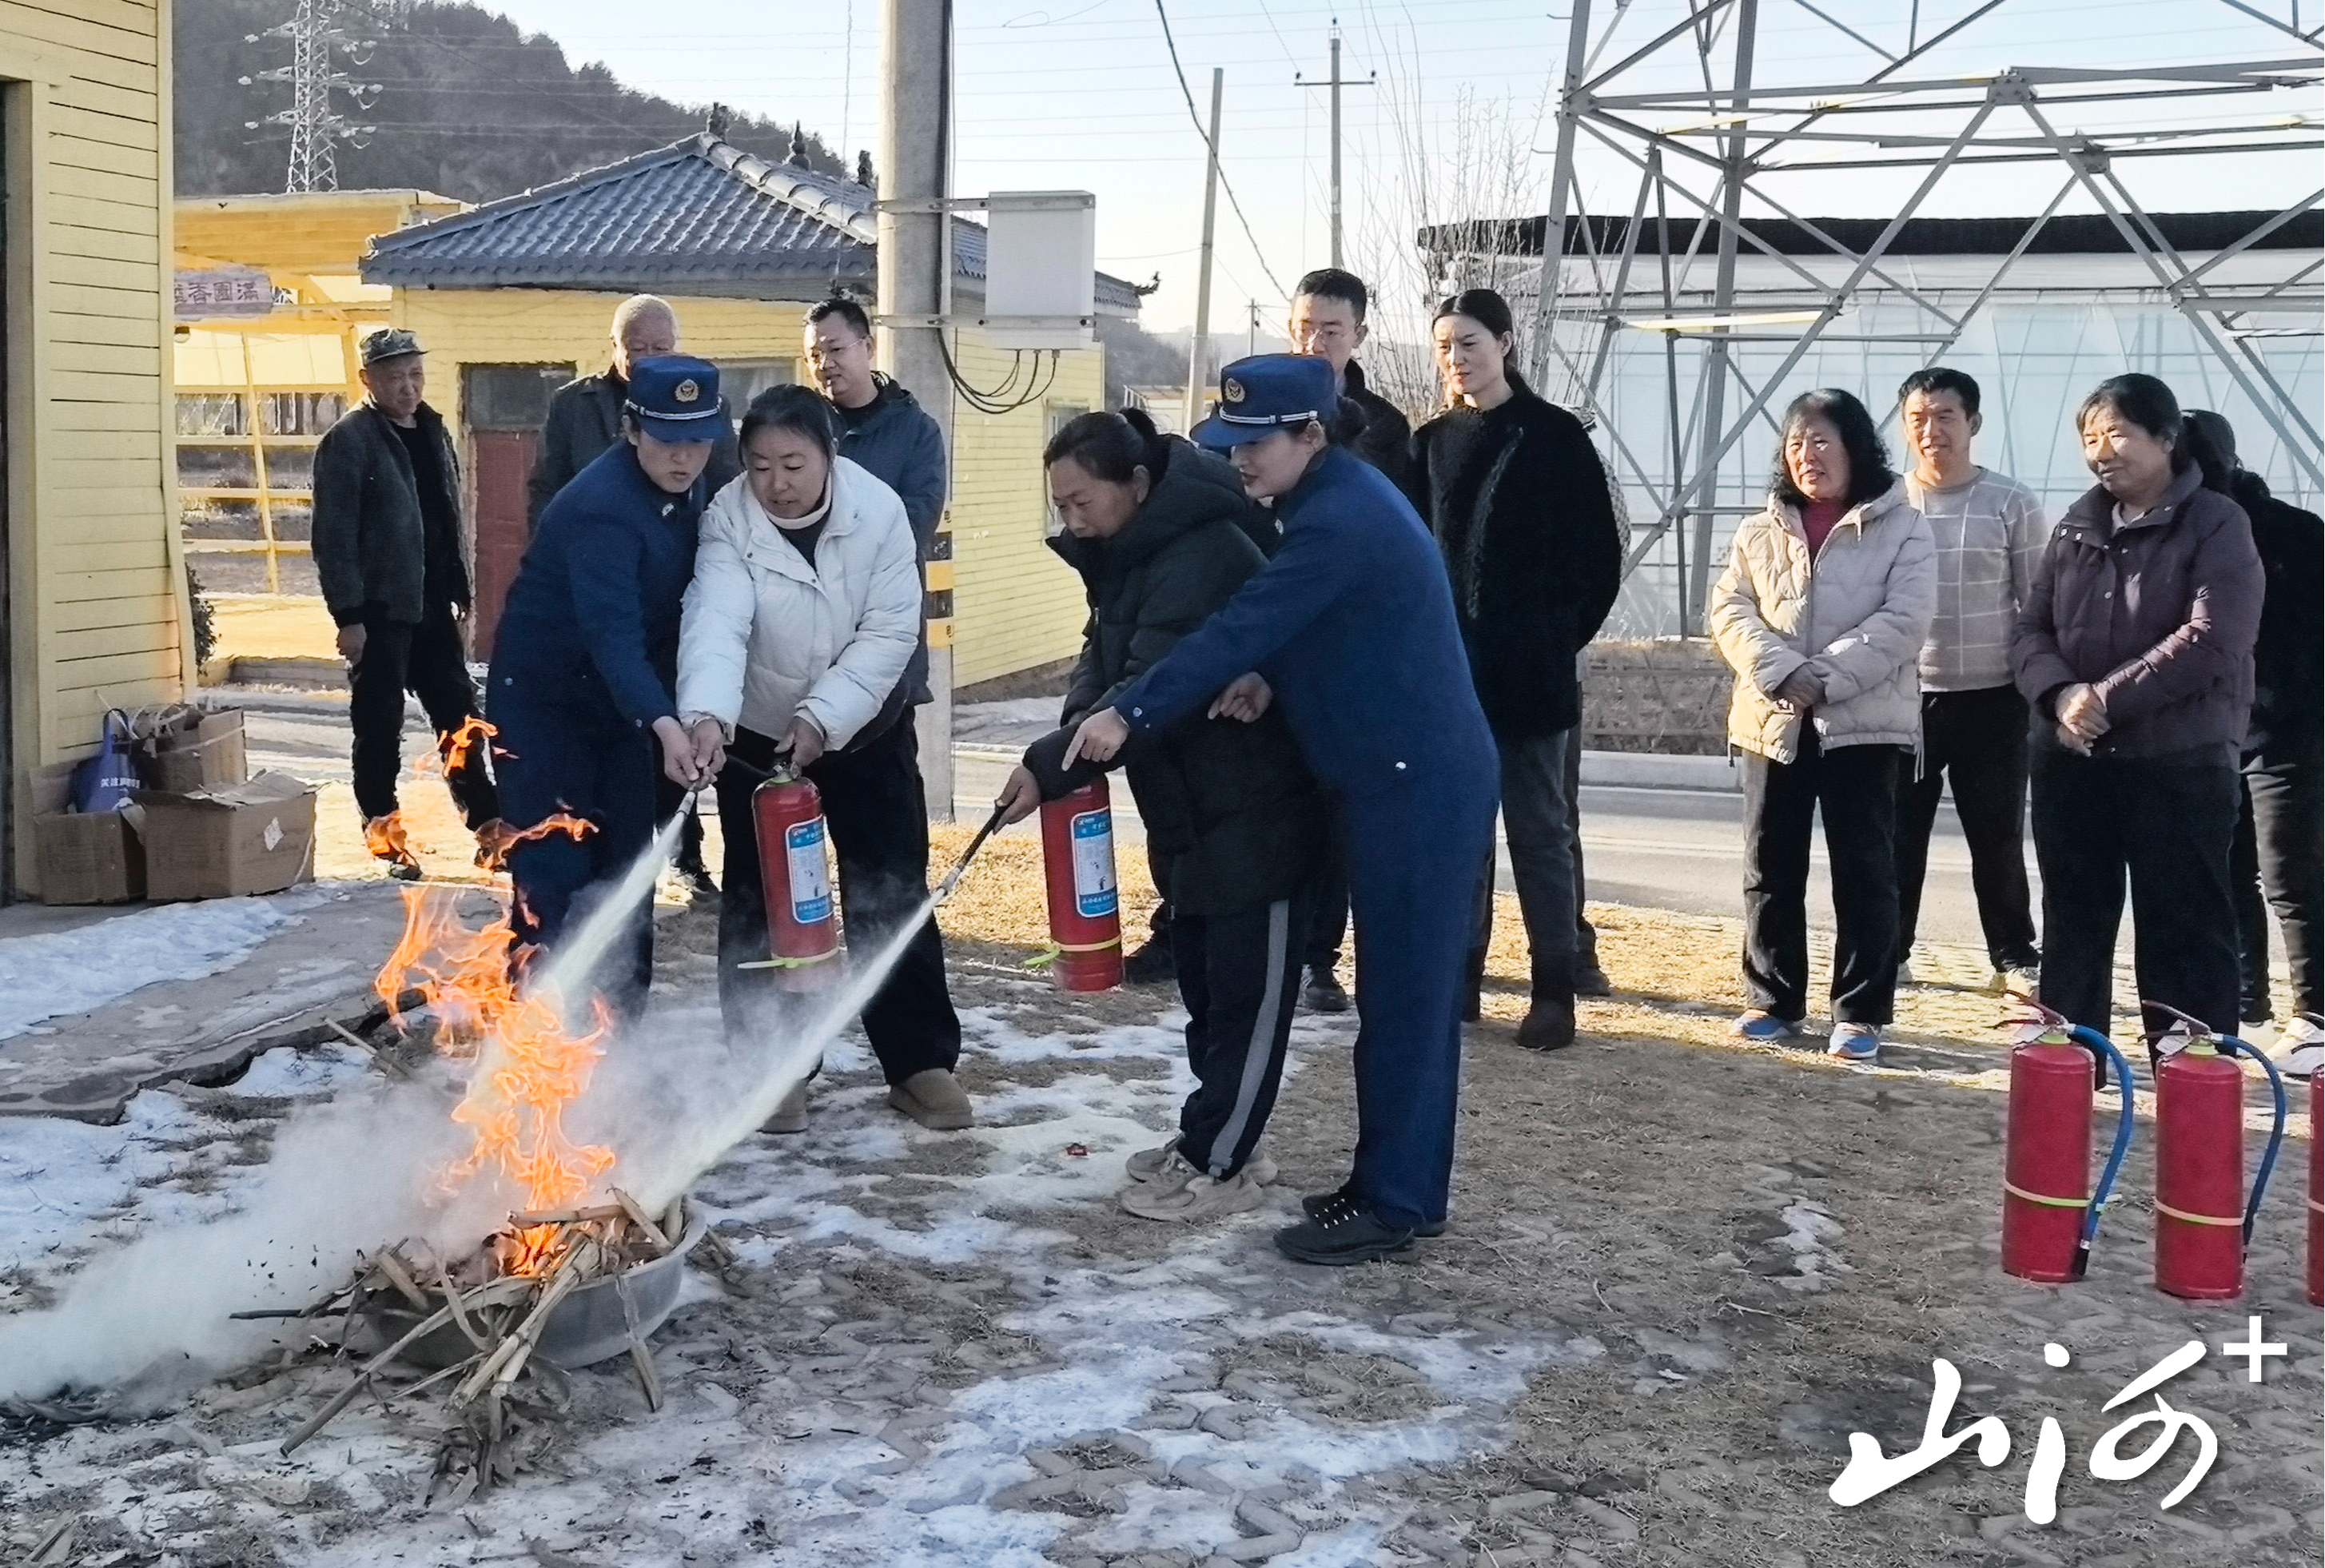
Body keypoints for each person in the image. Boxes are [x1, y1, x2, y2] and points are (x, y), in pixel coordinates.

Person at [1061, 355, 1499, 1265]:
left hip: (1414, 787)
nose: (1238, 460)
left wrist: (1128, 710)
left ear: (1310, 432)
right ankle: (1406, 1186)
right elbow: (1326, 629)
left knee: (1405, 1002)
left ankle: (1393, 1202)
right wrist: (1272, 675)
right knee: (1399, 999)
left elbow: (1245, 622)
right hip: (1389, 776)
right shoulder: (1329, 498)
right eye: (1227, 442)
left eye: (1253, 443)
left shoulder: (1338, 517)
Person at [994, 408, 1325, 1221]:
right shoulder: (1130, 554)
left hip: (1258, 808)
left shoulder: (1201, 553)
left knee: (1245, 1000)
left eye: (1082, 501)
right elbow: (1099, 661)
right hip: (1190, 810)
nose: (1072, 519)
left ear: (1136, 484)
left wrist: (1049, 762)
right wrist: (1064, 738)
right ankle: (1212, 1139)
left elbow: (1150, 686)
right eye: (1060, 505)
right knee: (1208, 990)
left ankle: (1221, 1163)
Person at [676, 385, 973, 1132]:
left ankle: (917, 1062)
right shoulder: (728, 519)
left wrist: (821, 719)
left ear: (828, 456)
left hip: (865, 731)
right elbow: (716, 624)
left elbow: (888, 634)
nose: (777, 482)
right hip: (754, 739)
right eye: (761, 464)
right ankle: (772, 1066)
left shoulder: (878, 517)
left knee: (889, 886)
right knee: (759, 898)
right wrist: (707, 715)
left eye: (794, 463)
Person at [2012, 375, 2262, 1048]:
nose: (2102, 452)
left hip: (2177, 759)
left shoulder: (2215, 521)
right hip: (2073, 757)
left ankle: (2192, 1082)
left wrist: (2105, 698)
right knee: (2072, 917)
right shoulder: (2074, 525)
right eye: (2090, 439)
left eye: (2118, 433)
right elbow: (2029, 630)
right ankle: (2069, 1063)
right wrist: (2062, 696)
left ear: (2166, 439)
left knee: (2183, 922)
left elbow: (2213, 637)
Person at [1410, 289, 1622, 1053]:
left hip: (1532, 676)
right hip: (1449, 677)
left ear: (1503, 343)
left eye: (1469, 342)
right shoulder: (1429, 442)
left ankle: (1552, 988)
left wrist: (1552, 637)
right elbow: (1411, 560)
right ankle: (1460, 980)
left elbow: (1599, 561)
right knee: (1461, 835)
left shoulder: (1556, 436)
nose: (1458, 358)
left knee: (1540, 833)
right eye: (1445, 347)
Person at [488, 356, 724, 1018]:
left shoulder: (690, 488)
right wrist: (664, 721)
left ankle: (618, 1032)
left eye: (698, 440)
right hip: (545, 705)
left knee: (626, 864)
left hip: (622, 706)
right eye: (668, 441)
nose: (685, 458)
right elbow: (611, 634)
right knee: (555, 864)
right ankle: (534, 1036)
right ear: (631, 429)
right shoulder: (602, 508)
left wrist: (692, 710)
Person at [1710, 389, 1934, 1062]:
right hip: (1772, 718)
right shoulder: (1759, 530)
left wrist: (1825, 677)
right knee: (1769, 864)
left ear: (1856, 447)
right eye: (1796, 443)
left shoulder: (1903, 526)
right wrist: (1781, 670)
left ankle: (1860, 1011)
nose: (1808, 456)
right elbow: (1729, 610)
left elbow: (1904, 620)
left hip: (1862, 724)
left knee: (1865, 868)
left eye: (1822, 441)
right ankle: (1772, 1001)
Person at [528, 295, 739, 897]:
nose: (648, 360)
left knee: (672, 722)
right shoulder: (574, 405)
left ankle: (685, 852)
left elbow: (722, 491)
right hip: (596, 593)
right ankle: (612, 864)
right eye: (636, 349)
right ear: (613, 349)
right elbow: (545, 492)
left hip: (673, 597)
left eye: (660, 348)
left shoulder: (702, 403)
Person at [311, 328, 503, 878]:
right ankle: (384, 839)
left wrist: (460, 589)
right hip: (377, 611)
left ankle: (490, 827)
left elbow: (447, 516)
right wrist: (348, 617)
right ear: (366, 379)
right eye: (394, 376)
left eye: (415, 373)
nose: (408, 386)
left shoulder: (434, 430)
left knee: (460, 721)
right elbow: (333, 537)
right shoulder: (349, 441)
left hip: (432, 608)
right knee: (379, 729)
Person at [1892, 367, 2047, 997]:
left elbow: (2037, 605)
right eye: (1917, 420)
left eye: (1945, 417)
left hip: (1993, 696)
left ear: (1973, 424)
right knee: (1898, 831)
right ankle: (1890, 949)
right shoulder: (1888, 504)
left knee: (1997, 834)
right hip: (1907, 696)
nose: (1931, 432)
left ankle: (2013, 955)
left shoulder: (2010, 502)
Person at [1286, 266, 1410, 1014]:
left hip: (1351, 648)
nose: (1313, 341)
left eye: (1329, 330)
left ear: (1358, 335)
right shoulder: (1256, 410)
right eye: (1303, 326)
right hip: (1274, 635)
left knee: (1342, 811)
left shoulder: (1385, 430)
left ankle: (1326, 960)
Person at [2187, 410, 2323, 1077]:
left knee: (2288, 870)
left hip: (2289, 728)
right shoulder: (2185, 531)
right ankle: (2247, 1008)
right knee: (2224, 867)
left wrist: (2279, 699)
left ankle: (2316, 1018)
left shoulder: (2291, 533)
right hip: (2215, 730)